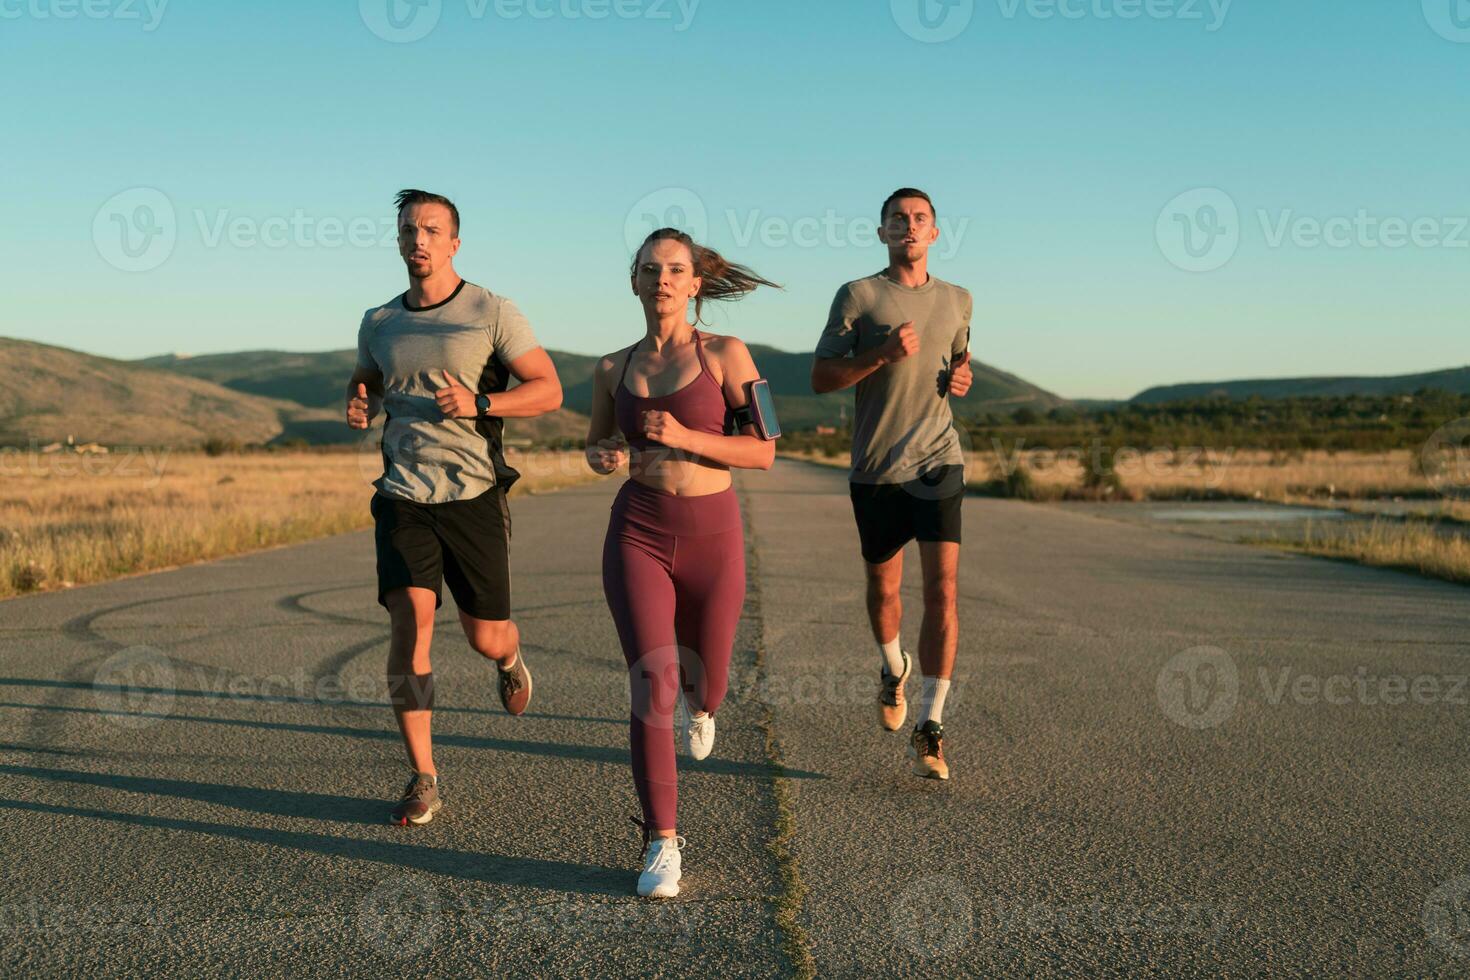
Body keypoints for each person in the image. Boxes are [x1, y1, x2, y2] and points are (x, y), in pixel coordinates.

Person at [346, 189, 564, 825]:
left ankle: (509, 655)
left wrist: (480, 405)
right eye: (409, 230)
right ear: (398, 240)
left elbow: (547, 388)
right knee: (409, 626)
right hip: (402, 496)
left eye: (432, 230)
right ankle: (424, 775)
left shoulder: (490, 311)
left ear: (454, 243)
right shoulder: (379, 321)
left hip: (472, 492)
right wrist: (359, 398)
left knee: (483, 634)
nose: (419, 240)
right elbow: (368, 376)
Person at [585, 227, 779, 897]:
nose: (662, 279)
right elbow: (597, 444)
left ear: (695, 284)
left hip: (713, 535)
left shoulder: (728, 354)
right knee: (651, 683)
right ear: (634, 281)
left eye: (676, 269)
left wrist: (689, 435)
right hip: (638, 531)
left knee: (710, 679)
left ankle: (707, 704)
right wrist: (606, 454)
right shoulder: (611, 368)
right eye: (650, 269)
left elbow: (764, 450)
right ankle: (660, 842)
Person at [811, 187, 974, 781]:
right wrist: (879, 352)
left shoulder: (959, 299)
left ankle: (930, 727)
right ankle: (891, 666)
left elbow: (958, 360)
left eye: (920, 219)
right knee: (885, 594)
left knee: (945, 593)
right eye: (897, 220)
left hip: (939, 461)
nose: (909, 227)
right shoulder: (858, 295)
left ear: (935, 233)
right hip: (877, 466)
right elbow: (822, 377)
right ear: (881, 232)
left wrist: (961, 379)